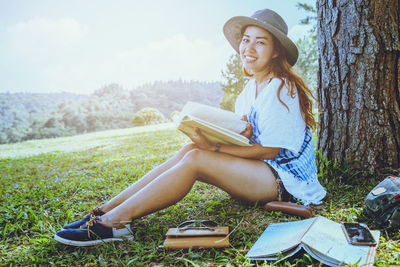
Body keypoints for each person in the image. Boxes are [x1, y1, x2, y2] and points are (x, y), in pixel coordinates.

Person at [54, 8, 326, 246]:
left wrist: (216, 146)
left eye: (261, 42)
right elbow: (249, 137)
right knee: (190, 148)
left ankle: (115, 223)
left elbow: (269, 150)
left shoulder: (281, 87)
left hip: (287, 184)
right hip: (261, 175)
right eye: (246, 41)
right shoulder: (248, 92)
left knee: (197, 157)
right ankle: (103, 212)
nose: (249, 49)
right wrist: (225, 133)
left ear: (276, 50)